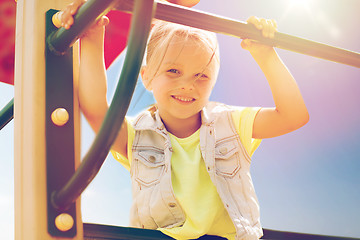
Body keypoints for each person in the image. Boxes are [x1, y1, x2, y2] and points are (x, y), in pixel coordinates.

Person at [59, 0, 309, 239]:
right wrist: (92, 36)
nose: (187, 85)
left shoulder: (231, 123)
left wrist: (266, 54)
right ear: (147, 77)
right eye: (173, 71)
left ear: (213, 82)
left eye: (201, 75)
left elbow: (293, 116)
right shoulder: (138, 136)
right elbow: (95, 110)